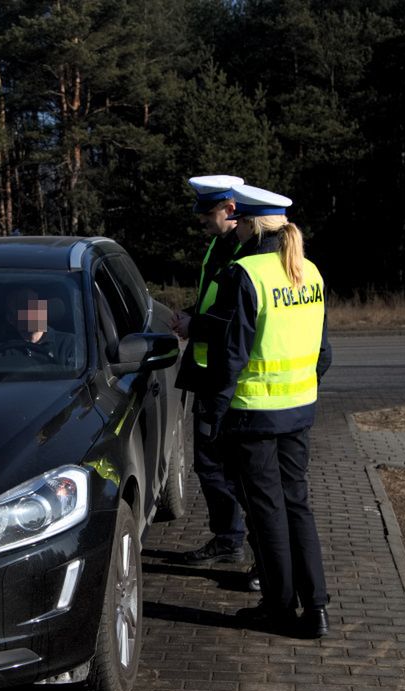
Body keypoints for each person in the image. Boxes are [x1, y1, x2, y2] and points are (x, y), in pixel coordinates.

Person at [200, 182, 332, 637]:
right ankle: (315, 608)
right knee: (298, 504)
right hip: (299, 410)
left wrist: (215, 416)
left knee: (267, 512)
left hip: (253, 414)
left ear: (251, 222)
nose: (232, 228)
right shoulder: (308, 271)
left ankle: (278, 607)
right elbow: (324, 354)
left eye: (238, 222)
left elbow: (230, 357)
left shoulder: (245, 273)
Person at [169, 175, 255, 577]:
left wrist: (195, 325)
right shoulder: (223, 245)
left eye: (208, 214)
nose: (203, 222)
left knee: (230, 467)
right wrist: (189, 315)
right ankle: (229, 539)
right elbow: (213, 302)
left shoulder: (246, 252)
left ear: (231, 210)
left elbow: (234, 319)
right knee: (210, 463)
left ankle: (249, 547)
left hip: (227, 378)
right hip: (210, 373)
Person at [0, 286, 77, 366]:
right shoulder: (3, 350)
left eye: (36, 303)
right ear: (11, 319)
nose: (33, 309)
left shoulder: (68, 344)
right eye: (24, 305)